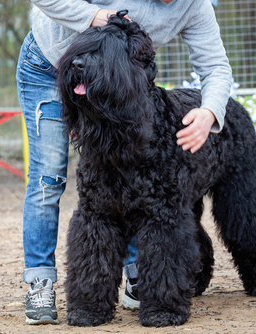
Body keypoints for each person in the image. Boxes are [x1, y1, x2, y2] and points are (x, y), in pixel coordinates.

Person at [16, 0, 232, 325]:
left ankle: (137, 276)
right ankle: (40, 282)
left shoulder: (196, 7)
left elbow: (215, 65)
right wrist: (92, 16)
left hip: (113, 80)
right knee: (49, 177)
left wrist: (210, 110)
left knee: (130, 187)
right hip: (47, 64)